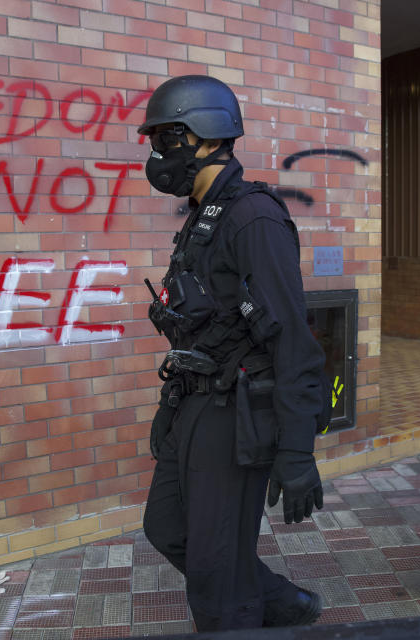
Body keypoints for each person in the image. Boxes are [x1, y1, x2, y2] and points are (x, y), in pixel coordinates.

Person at [138, 75, 327, 631]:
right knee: (168, 527)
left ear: (206, 136)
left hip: (236, 413)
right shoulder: (204, 216)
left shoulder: (253, 217)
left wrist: (297, 451)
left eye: (166, 139)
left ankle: (245, 610)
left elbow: (293, 339)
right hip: (196, 404)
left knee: (217, 578)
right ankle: (283, 604)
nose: (157, 155)